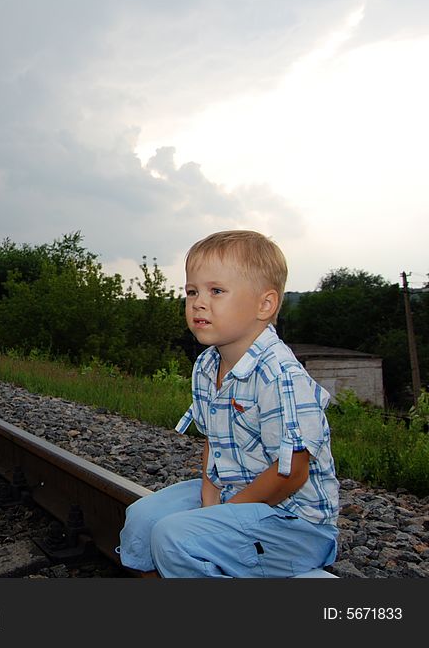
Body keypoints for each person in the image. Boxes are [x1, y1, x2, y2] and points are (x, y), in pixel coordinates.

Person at [117, 230, 339, 577]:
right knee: (142, 519)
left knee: (175, 537)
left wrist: (219, 517)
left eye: (216, 291)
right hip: (233, 493)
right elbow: (213, 438)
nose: (198, 302)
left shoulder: (280, 376)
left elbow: (292, 473)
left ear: (265, 305)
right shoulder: (207, 365)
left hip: (294, 523)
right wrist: (209, 499)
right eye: (192, 291)